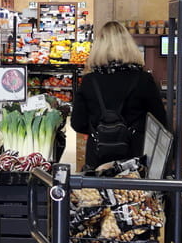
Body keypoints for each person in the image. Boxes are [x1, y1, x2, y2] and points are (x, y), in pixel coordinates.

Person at [70, 21, 168, 169]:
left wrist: (102, 130)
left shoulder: (89, 80)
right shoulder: (143, 79)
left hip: (98, 156)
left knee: (98, 184)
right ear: (129, 46)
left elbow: (78, 123)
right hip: (134, 157)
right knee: (132, 185)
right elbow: (160, 122)